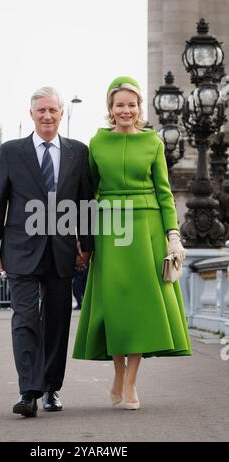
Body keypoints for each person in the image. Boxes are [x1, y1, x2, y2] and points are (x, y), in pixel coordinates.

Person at [73, 76, 192, 410]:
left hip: (147, 228)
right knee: (114, 303)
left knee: (140, 304)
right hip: (111, 227)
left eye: (131, 104)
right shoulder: (96, 143)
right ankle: (117, 371)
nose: (126, 110)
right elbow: (88, 192)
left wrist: (172, 234)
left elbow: (164, 192)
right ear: (110, 109)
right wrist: (84, 236)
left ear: (139, 108)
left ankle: (130, 382)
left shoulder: (153, 142)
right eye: (119, 105)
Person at [0, 86, 93, 418]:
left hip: (61, 252)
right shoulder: (11, 152)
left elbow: (85, 204)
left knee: (57, 323)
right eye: (41, 110)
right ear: (31, 114)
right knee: (26, 319)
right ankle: (28, 391)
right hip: (19, 250)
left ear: (61, 114)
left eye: (53, 111)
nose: (47, 116)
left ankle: (51, 389)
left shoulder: (78, 152)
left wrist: (85, 246)